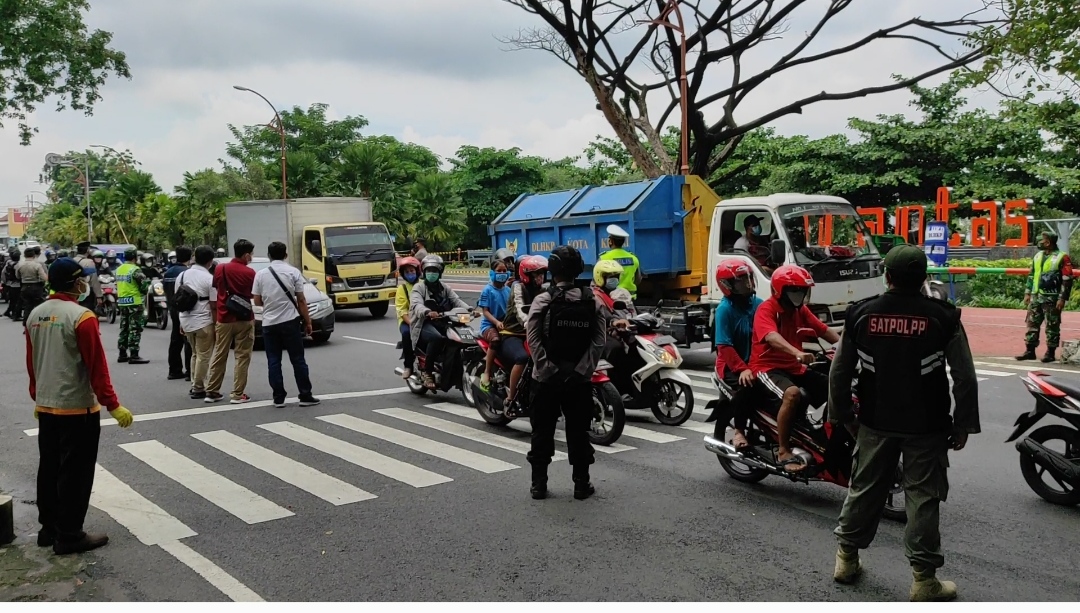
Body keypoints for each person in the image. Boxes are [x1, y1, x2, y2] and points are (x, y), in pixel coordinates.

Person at [828, 244, 980, 601]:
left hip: (874, 422)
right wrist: (963, 424)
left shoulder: (861, 315)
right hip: (926, 426)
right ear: (923, 277)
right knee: (923, 499)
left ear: (888, 276)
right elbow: (965, 377)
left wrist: (844, 417)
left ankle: (846, 561)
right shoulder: (944, 317)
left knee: (864, 489)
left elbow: (839, 371)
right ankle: (923, 581)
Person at [26, 257, 134, 555]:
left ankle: (49, 529)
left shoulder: (36, 314)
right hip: (77, 408)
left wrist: (37, 396)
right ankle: (70, 535)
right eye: (82, 279)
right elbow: (96, 366)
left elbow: (32, 362)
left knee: (49, 467)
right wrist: (113, 405)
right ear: (76, 283)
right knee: (75, 472)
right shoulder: (81, 317)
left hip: (47, 407)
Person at [525, 245, 608, 500]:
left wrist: (547, 369)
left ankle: (539, 485)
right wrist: (581, 370)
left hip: (545, 380)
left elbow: (533, 339)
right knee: (578, 431)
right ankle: (581, 484)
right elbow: (599, 341)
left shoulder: (543, 299)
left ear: (552, 269)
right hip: (578, 381)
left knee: (542, 431)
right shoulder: (592, 300)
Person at [749, 264, 840, 471]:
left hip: (794, 367)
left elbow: (824, 331)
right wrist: (797, 353)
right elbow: (772, 337)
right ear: (781, 291)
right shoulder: (767, 309)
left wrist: (848, 349)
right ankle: (783, 450)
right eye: (795, 290)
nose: (801, 295)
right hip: (766, 367)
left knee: (835, 388)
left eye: (803, 290)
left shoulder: (801, 311)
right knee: (792, 394)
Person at [252, 241, 320, 408]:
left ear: (268, 255)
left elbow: (257, 300)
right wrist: (308, 321)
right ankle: (305, 394)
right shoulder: (293, 272)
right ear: (285, 254)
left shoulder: (261, 274)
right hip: (290, 322)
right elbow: (301, 299)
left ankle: (278, 397)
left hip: (269, 323)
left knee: (273, 360)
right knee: (298, 359)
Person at [708, 259, 765, 450]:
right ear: (727, 285)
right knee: (747, 386)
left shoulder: (758, 304)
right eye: (741, 280)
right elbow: (724, 346)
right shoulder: (725, 310)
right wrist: (742, 369)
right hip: (732, 366)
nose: (748, 283)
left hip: (756, 361)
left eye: (748, 278)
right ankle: (739, 430)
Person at [206, 239, 257, 404]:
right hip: (244, 318)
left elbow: (217, 287)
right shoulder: (250, 273)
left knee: (220, 354)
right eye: (251, 254)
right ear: (246, 254)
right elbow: (252, 295)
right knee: (242, 356)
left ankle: (212, 391)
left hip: (223, 318)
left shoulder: (221, 268)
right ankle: (237, 394)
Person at [409, 255, 470, 388]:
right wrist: (427, 312)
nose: (432, 273)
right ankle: (427, 371)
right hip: (424, 323)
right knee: (437, 338)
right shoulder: (418, 288)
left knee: (462, 339)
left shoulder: (444, 288)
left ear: (440, 272)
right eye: (429, 270)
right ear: (424, 272)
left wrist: (470, 309)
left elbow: (456, 301)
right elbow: (416, 305)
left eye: (435, 271)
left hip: (443, 322)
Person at [499, 255, 549, 416]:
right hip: (513, 333)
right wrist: (530, 325)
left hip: (534, 334)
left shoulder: (543, 289)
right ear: (526, 275)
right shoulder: (517, 288)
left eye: (542, 273)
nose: (540, 277)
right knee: (523, 358)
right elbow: (520, 311)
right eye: (536, 274)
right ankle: (511, 398)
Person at [1017, 231, 1073, 363]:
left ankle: (1050, 352)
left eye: (1043, 240)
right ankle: (1030, 351)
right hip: (1036, 296)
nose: (1040, 242)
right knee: (1032, 323)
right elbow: (1032, 275)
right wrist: (1027, 292)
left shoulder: (1062, 257)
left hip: (1052, 298)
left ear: (1048, 242)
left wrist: (1062, 298)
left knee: (1052, 325)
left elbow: (1067, 279)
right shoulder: (1038, 256)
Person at [178, 246, 217, 400]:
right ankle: (199, 387)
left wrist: (181, 322)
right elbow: (214, 304)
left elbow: (178, 299)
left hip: (186, 320)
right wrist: (216, 324)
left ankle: (195, 383)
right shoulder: (209, 278)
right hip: (204, 321)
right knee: (204, 355)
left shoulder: (182, 276)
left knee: (195, 353)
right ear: (210, 261)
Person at [478, 259, 512, 391]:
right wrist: (496, 322)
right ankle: (486, 371)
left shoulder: (508, 290)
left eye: (504, 271)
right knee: (496, 340)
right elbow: (485, 312)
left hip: (505, 325)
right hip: (489, 326)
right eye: (499, 271)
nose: (502, 273)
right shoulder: (487, 290)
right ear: (492, 273)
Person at [163, 247, 194, 381]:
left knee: (175, 339)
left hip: (172, 307)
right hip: (185, 309)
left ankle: (174, 370)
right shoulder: (186, 273)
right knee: (188, 340)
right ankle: (189, 371)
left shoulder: (168, 272)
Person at [115, 247, 150, 364]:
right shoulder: (135, 270)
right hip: (134, 302)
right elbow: (144, 287)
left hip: (122, 302)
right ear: (135, 257)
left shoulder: (119, 269)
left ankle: (122, 353)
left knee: (124, 327)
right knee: (134, 328)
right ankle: (134, 355)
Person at [598, 224, 642, 299]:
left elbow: (598, 281)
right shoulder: (634, 258)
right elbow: (637, 280)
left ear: (611, 241)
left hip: (612, 300)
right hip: (630, 299)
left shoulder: (604, 258)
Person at [396, 257, 421, 379]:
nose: (410, 274)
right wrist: (411, 323)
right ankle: (408, 366)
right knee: (407, 334)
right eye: (407, 272)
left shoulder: (424, 285)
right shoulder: (402, 289)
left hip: (423, 318)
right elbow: (402, 310)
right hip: (408, 321)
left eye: (412, 271)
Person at [17, 247, 49, 321]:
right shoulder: (37, 265)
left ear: (24, 255)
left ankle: (26, 324)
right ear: (34, 255)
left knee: (28, 306)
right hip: (36, 287)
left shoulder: (20, 265)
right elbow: (44, 277)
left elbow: (17, 276)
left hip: (24, 287)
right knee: (40, 306)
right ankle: (41, 323)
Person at [4, 249, 22, 321]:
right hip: (17, 285)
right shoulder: (17, 265)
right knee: (18, 300)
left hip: (10, 284)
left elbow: (3, 273)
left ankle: (8, 312)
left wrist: (5, 282)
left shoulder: (8, 263)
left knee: (12, 300)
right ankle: (15, 315)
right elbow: (19, 276)